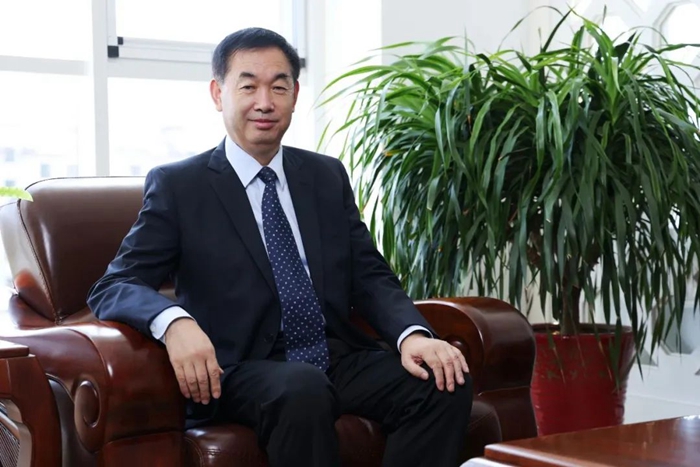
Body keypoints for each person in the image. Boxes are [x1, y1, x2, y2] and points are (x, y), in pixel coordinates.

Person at [87, 27, 472, 467]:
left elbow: (369, 274)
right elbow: (115, 284)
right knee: (301, 387)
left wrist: (412, 335)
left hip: (332, 359)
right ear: (218, 94)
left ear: (295, 95)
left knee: (443, 380)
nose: (265, 102)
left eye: (278, 87)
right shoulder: (180, 186)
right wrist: (175, 323)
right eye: (248, 86)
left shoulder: (325, 176)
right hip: (238, 371)